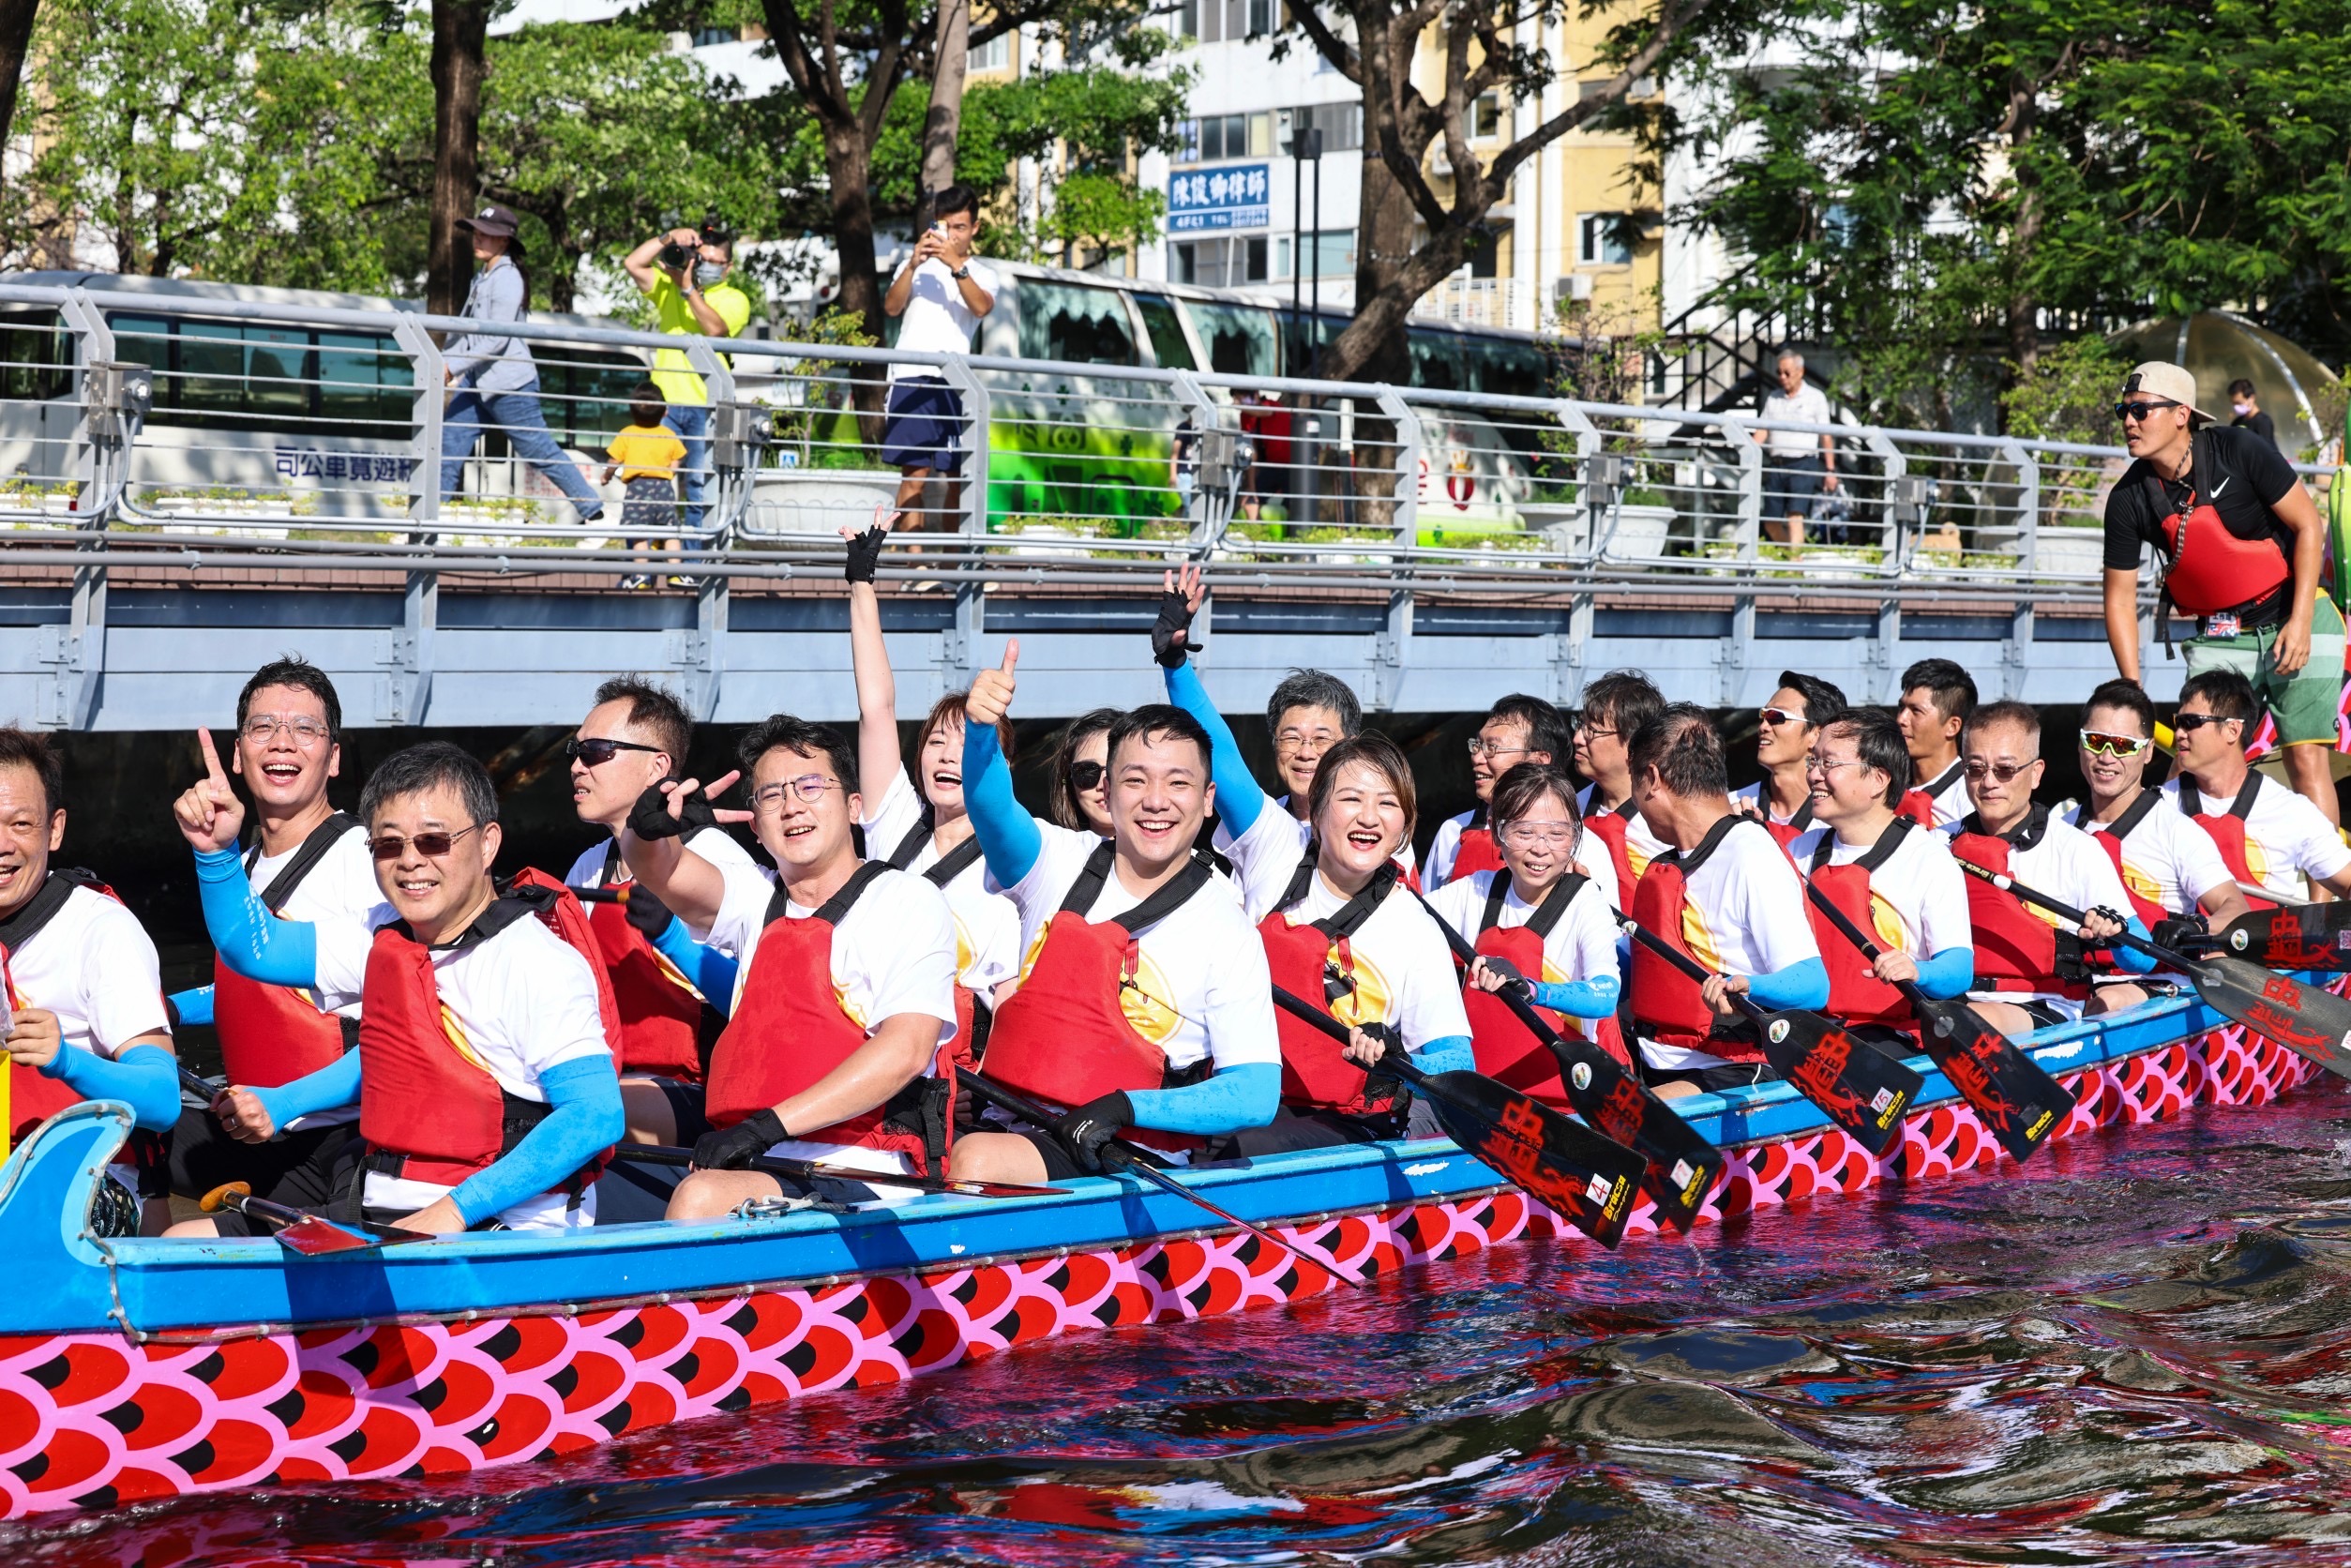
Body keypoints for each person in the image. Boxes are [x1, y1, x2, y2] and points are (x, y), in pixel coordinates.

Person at [170, 742, 624, 1235]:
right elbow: (254, 948)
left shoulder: (535, 961)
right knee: (182, 1242)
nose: (409, 862)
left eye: (433, 841)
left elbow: (594, 1115)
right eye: (389, 845)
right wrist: (215, 854)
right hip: (382, 1217)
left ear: (488, 843)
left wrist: (451, 1212)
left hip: (498, 1231)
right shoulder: (383, 934)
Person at [946, 641, 1281, 1182]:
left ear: (1208, 798)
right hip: (1014, 1127)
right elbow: (991, 809)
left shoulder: (1230, 932)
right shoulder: (1054, 862)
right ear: (1109, 788)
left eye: (1178, 783)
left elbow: (1256, 1094)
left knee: (977, 1160)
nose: (1155, 801)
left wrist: (1126, 1107)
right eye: (1135, 780)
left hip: (1130, 1158)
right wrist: (981, 733)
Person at [1152, 593, 1470, 1150]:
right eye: (1350, 800)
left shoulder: (1411, 920)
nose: (1368, 818)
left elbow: (1452, 1055)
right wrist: (1176, 667)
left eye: (1386, 805)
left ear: (1404, 823)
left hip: (1350, 1116)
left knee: (1229, 1150)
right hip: (1249, 1090)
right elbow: (1220, 754)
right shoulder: (1275, 843)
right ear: (1319, 810)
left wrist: (1394, 1054)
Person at [617, 716, 960, 1214]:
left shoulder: (907, 899)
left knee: (699, 1198)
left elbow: (906, 1051)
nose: (792, 804)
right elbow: (661, 869)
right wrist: (647, 830)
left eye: (811, 785)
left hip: (865, 1172)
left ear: (854, 806)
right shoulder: (755, 897)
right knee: (587, 1178)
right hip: (754, 1159)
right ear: (755, 827)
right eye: (772, 795)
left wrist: (767, 1127)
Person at [162, 660, 391, 1210]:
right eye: (264, 727)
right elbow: (266, 995)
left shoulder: (366, 863)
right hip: (254, 1129)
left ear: (333, 758)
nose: (283, 742)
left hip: (345, 1140)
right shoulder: (238, 864)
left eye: (305, 729)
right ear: (238, 754)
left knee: (191, 1240)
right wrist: (162, 1013)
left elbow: (399, 1030)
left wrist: (284, 1103)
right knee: (129, 1123)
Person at [2101, 359, 2341, 826]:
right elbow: (2120, 598)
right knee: (2191, 757)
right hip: (2221, 633)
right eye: (2122, 411)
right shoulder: (2128, 499)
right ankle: (2179, 880)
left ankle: (2326, 896)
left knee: (2306, 758)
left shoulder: (2240, 448)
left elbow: (2308, 524)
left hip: (2300, 614)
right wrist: (2131, 686)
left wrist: (2301, 622)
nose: (2129, 422)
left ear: (2181, 413)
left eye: (2141, 410)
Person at [842, 520, 1023, 1046]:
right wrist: (861, 581)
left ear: (1000, 768)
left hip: (952, 1074)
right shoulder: (895, 819)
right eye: (937, 743)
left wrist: (989, 1091)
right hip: (861, 1043)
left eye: (968, 747)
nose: (948, 758)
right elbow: (876, 707)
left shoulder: (1014, 867)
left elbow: (1009, 1002)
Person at [559, 677, 755, 1144]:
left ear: (657, 767)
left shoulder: (715, 859)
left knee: (585, 1112)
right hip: (605, 1081)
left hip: (700, 1092)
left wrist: (672, 937)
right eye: (574, 750)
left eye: (596, 751)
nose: (576, 767)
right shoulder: (588, 868)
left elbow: (757, 1003)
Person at [0, 728, 178, 1229]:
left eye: (21, 824)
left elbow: (163, 1100)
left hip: (91, 1184)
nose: (2, 845)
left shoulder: (103, 930)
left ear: (54, 830)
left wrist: (64, 1059)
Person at [1623, 705, 1830, 1096]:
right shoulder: (1671, 861)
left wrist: (1747, 986)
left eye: (1634, 781)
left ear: (1651, 778)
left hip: (1734, 1068)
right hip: (1654, 1059)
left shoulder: (1749, 855)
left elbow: (1812, 985)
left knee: (1618, 1136)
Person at [1944, 701, 2154, 1036]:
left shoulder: (2077, 849)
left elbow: (2143, 958)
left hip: (2046, 1002)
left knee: (1963, 1023)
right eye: (1975, 769)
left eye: (2005, 770)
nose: (1988, 783)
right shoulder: (1935, 844)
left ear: (2037, 772)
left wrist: (2115, 935)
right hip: (1953, 1002)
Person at [1424, 761, 1627, 1109]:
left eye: (1557, 834)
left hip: (1569, 1103)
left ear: (1576, 838)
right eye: (1524, 832)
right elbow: (1400, 921)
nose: (1540, 848)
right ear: (1495, 831)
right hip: (1485, 1098)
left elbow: (1605, 996)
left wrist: (1532, 990)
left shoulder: (1586, 902)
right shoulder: (1472, 892)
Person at [1788, 711, 1974, 1057]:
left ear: (1877, 779)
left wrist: (1918, 970)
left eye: (1830, 764)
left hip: (1894, 1037)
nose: (1814, 774)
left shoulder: (1928, 858)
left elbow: (1959, 970)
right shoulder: (1797, 852)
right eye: (1813, 761)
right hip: (1807, 1027)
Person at [438, 204, 605, 525]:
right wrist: (447, 362)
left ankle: (592, 509)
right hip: (477, 380)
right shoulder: (484, 275)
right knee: (448, 444)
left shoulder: (508, 277)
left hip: (509, 384)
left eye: (486, 235)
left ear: (504, 240)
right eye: (476, 232)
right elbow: (466, 327)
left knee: (539, 451)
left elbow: (497, 338)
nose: (478, 239)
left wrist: (452, 366)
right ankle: (432, 518)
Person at [2066, 677, 2252, 948]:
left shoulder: (2177, 831)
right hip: (2076, 983)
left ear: (2148, 751)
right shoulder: (2059, 829)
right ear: (2081, 744)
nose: (2106, 757)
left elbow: (2237, 910)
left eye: (2123, 745)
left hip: (2154, 979)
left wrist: (2195, 926)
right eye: (2095, 740)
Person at [2161, 669, 2351, 907]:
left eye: (2190, 723)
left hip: (2263, 943)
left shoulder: (2291, 811)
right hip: (2175, 944)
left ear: (2233, 730)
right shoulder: (2161, 805)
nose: (2179, 733)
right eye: (2178, 722)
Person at [880, 184, 998, 535]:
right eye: (945, 226)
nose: (952, 235)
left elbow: (981, 306)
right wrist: (913, 264)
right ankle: (913, 566)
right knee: (913, 477)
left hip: (956, 385)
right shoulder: (914, 265)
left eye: (960, 228)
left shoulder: (982, 272)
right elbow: (891, 307)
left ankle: (951, 568)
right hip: (911, 377)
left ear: (975, 228)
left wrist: (956, 266)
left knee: (956, 479)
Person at [623, 219, 752, 536]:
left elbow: (716, 329)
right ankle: (645, 568)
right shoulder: (669, 286)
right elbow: (633, 263)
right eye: (700, 258)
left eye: (712, 261)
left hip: (705, 409)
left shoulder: (735, 298)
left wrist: (688, 288)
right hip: (662, 407)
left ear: (728, 267)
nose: (703, 264)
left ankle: (693, 568)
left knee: (699, 489)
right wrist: (668, 237)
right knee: (648, 483)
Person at [1427, 693, 1572, 889]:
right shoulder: (1451, 831)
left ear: (1538, 762)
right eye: (1477, 745)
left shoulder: (1581, 842)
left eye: (1492, 748)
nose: (1477, 758)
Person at [1567, 670, 1670, 903]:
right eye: (1579, 725)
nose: (1577, 739)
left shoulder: (1672, 820)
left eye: (1591, 730)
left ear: (1634, 743)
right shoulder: (1567, 810)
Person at [1731, 671, 1847, 844]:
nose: (1763, 726)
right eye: (1764, 715)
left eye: (1776, 716)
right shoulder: (1731, 807)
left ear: (1817, 734)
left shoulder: (1840, 819)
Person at [600, 383, 689, 589]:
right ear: (665, 411)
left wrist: (606, 476)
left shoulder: (627, 433)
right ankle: (676, 573)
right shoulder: (668, 434)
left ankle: (641, 575)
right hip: (663, 488)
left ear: (632, 411)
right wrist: (669, 472)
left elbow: (614, 461)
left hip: (637, 488)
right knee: (670, 531)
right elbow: (678, 458)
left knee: (638, 532)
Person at [1753, 349, 1837, 546]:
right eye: (1779, 372)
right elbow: (1761, 431)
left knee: (1795, 517)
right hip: (1777, 465)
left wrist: (1830, 470)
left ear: (1800, 372)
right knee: (1770, 523)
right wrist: (1746, 453)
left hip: (1803, 463)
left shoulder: (1816, 398)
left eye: (1787, 373)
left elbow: (1826, 435)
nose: (1782, 377)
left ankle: (1794, 568)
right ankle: (1791, 559)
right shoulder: (1773, 398)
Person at [1896, 657, 1976, 826]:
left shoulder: (1971, 794)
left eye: (1916, 711)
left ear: (1952, 726)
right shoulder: (1885, 783)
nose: (1902, 719)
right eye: (1901, 707)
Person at [1045, 707, 1121, 837]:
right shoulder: (1055, 851)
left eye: (1117, 769)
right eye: (1087, 771)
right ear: (1069, 782)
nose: (1103, 785)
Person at [2228, 378, 2279, 452]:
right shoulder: (2236, 423)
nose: (2236, 406)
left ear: (2251, 398)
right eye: (2233, 403)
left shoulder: (2263, 421)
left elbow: (2265, 451)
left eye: (2239, 403)